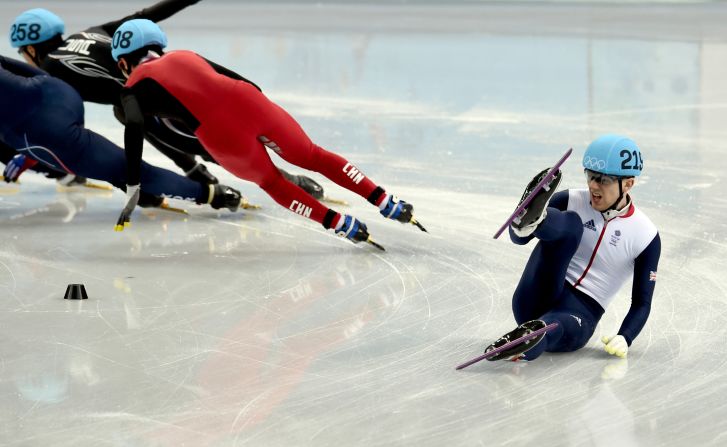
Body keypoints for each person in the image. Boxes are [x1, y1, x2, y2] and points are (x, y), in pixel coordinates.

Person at [110, 19, 425, 245]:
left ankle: (340, 225)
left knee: (271, 181)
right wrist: (259, 116)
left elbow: (136, 124)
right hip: (249, 100)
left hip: (218, 133)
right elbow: (246, 81)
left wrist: (134, 181)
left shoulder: (130, 89)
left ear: (124, 62)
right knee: (313, 155)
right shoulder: (185, 55)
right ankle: (386, 200)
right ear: (158, 46)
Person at [8, 4, 325, 198]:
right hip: (184, 71)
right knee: (129, 112)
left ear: (31, 50)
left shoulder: (49, 70)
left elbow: (64, 126)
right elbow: (146, 16)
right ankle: (197, 170)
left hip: (160, 99)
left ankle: (284, 180)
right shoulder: (87, 34)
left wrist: (33, 157)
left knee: (207, 143)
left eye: (23, 54)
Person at [484, 135, 661, 361]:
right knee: (572, 225)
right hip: (537, 295)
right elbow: (519, 240)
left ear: (628, 183)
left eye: (604, 180)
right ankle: (535, 221)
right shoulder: (570, 199)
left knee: (553, 326)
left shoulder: (646, 235)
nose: (593, 186)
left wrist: (626, 336)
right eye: (590, 175)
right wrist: (520, 228)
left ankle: (527, 340)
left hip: (580, 313)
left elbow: (642, 302)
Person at [0, 55, 245, 216]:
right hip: (57, 91)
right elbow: (20, 68)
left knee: (127, 170)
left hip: (45, 129)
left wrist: (24, 150)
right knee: (108, 163)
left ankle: (212, 195)